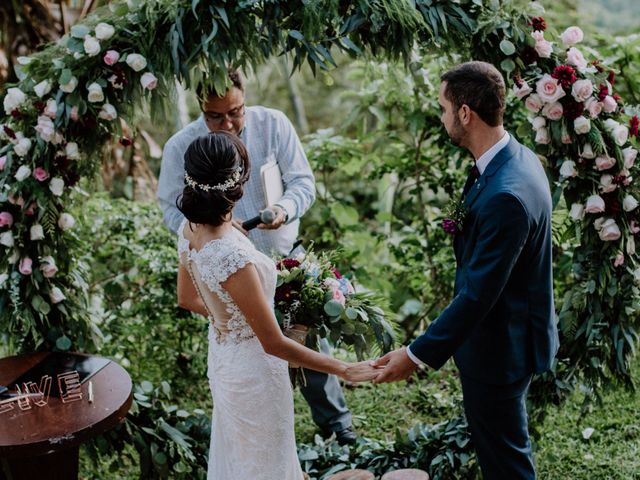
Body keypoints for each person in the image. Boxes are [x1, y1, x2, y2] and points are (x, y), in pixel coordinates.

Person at [373, 61, 559, 479]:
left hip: (500, 348)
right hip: (502, 337)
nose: (441, 117)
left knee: (508, 464)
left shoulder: (506, 195)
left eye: (443, 108)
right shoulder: (513, 158)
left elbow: (479, 294)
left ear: (464, 113)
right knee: (500, 452)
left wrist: (415, 355)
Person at [158, 70, 357, 445]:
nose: (229, 123)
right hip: (229, 275)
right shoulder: (180, 146)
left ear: (245, 98)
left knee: (308, 338)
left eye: (236, 111)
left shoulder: (273, 123)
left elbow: (303, 182)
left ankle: (336, 424)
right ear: (201, 108)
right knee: (261, 349)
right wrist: (213, 234)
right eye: (216, 116)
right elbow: (171, 210)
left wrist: (285, 207)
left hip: (283, 259)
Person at [176, 132, 377, 479]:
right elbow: (273, 343)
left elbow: (188, 298)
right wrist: (343, 369)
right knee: (266, 462)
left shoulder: (189, 228)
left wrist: (232, 321)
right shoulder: (232, 255)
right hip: (255, 373)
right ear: (238, 181)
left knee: (244, 456)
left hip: (224, 360)